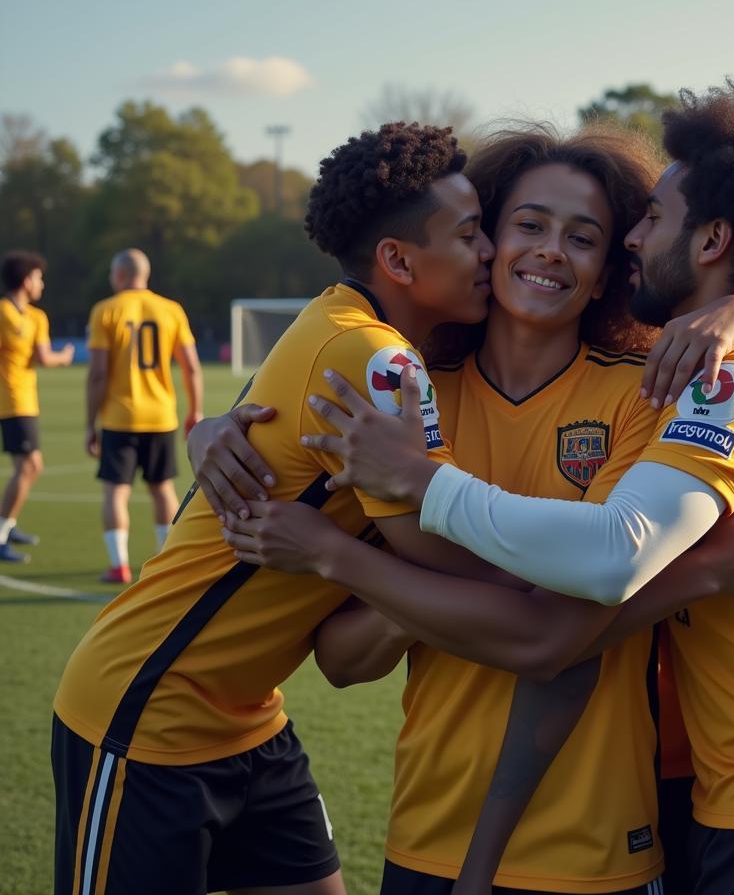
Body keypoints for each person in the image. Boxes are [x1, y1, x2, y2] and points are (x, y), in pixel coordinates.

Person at [277, 85, 734, 895]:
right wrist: (231, 443)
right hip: (427, 832)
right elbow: (342, 660)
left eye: (587, 237)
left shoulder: (655, 394)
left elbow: (568, 629)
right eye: (527, 224)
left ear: (607, 272)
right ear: (483, 243)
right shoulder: (410, 398)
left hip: (610, 845)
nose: (553, 250)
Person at [52, 122, 498, 895]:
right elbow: (436, 555)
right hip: (144, 711)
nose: (490, 251)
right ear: (397, 259)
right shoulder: (377, 357)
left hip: (249, 717)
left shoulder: (346, 323)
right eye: (470, 235)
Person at [85, 248, 204, 583]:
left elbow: (97, 374)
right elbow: (191, 367)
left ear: (120, 275)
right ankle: (167, 562)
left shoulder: (105, 311)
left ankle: (118, 565)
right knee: (163, 488)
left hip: (119, 417)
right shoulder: (171, 310)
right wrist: (194, 410)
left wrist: (89, 423)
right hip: (161, 415)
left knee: (115, 491)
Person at [0, 250, 74, 563]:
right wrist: (64, 357)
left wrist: (62, 357)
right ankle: (2, 532)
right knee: (29, 465)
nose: (41, 283)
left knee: (31, 466)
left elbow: (41, 356)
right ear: (26, 279)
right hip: (10, 399)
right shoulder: (3, 311)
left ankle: (7, 523)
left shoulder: (36, 316)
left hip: (26, 399)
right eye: (38, 277)